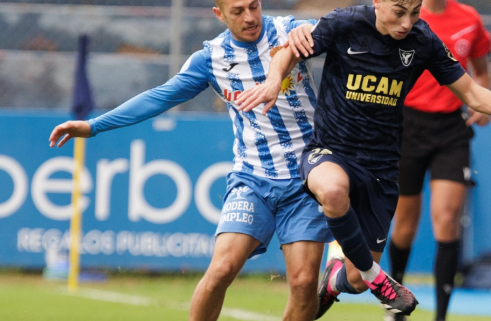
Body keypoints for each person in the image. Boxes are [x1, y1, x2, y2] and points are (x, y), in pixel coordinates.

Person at [234, 0, 491, 319]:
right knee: (334, 192)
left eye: (415, 11)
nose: (407, 22)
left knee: (355, 281)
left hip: (381, 167)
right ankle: (375, 275)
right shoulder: (344, 22)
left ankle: (343, 277)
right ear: (378, 3)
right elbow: (289, 49)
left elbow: (470, 91)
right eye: (399, 11)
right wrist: (273, 80)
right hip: (330, 150)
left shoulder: (423, 40)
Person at [47, 1, 333, 320]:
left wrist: (318, 26)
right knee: (222, 268)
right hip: (253, 179)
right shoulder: (211, 58)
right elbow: (160, 96)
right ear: (218, 15)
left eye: (254, 5)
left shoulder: (287, 31)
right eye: (238, 11)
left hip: (307, 178)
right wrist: (94, 125)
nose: (250, 17)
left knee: (305, 282)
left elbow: (335, 29)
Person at [387, 0, 491, 320]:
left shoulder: (469, 18)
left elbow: (482, 71)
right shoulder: (401, 16)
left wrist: (482, 101)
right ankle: (396, 306)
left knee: (447, 221)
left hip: (451, 129)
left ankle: (441, 315)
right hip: (408, 126)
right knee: (405, 225)